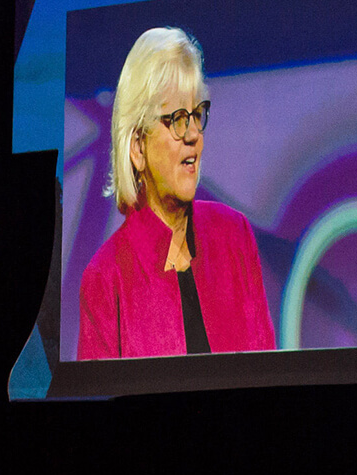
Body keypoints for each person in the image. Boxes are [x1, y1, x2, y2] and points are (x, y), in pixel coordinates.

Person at [78, 27, 275, 360]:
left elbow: (270, 374)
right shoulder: (106, 279)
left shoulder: (234, 237)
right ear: (138, 147)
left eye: (197, 115)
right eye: (178, 118)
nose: (194, 134)